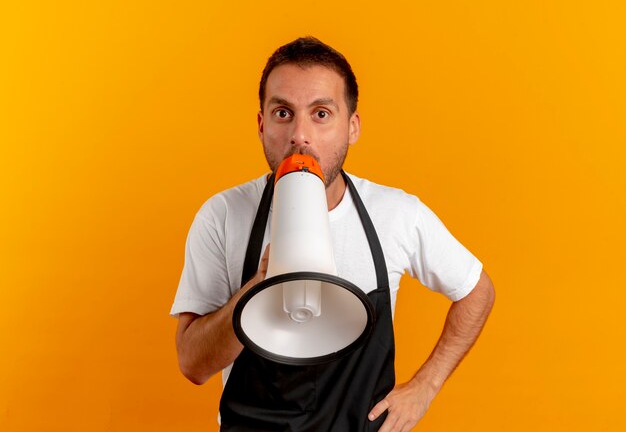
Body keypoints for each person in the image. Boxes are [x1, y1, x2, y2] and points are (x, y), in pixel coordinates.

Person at [171, 37, 495, 432]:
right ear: (261, 125)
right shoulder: (222, 215)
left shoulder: (396, 214)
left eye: (321, 113)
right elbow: (192, 364)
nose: (300, 135)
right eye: (283, 113)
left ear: (352, 127)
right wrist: (257, 288)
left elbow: (477, 290)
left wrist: (425, 387)